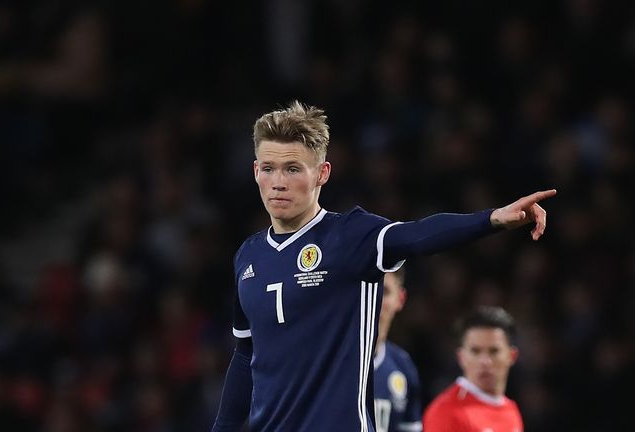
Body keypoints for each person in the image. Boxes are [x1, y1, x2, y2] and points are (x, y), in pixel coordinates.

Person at [211, 101, 555, 431]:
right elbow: (246, 354)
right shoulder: (249, 256)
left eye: (293, 169)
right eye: (269, 169)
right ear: (256, 171)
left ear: (322, 174)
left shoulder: (349, 237)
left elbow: (418, 235)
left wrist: (491, 219)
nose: (279, 182)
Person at [423, 306, 523, 432]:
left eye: (494, 351)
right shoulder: (446, 411)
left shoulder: (511, 411)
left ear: (511, 356)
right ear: (461, 357)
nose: (485, 361)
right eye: (475, 351)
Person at [373, 270, 422, 432]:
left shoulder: (403, 367)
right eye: (371, 289)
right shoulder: (329, 361)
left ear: (400, 299)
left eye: (385, 291)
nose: (376, 300)